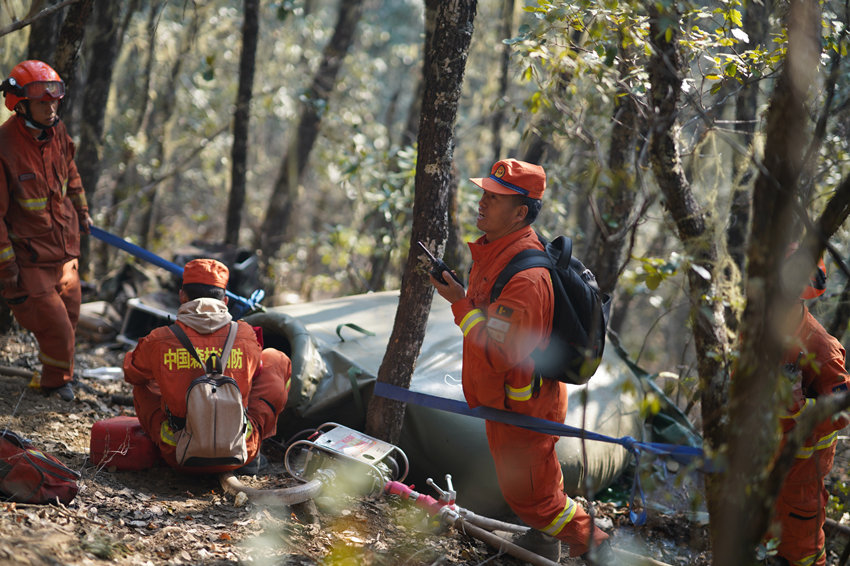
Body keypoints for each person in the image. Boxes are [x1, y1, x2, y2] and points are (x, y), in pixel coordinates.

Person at [428, 158, 614, 564]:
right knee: (534, 491)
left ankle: (598, 546)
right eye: (483, 194)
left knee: (539, 502)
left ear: (520, 212)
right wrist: (463, 293)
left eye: (494, 199)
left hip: (523, 409)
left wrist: (459, 304)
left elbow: (500, 351)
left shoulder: (527, 278)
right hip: (506, 403)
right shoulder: (499, 252)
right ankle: (543, 544)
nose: (481, 203)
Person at [123, 259, 291, 474]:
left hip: (178, 453)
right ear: (226, 300)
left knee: (142, 383)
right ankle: (254, 450)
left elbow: (131, 372)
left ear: (182, 296)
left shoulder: (159, 340)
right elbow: (256, 373)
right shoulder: (246, 335)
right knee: (276, 359)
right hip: (240, 450)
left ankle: (165, 443)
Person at [0, 60, 92, 402]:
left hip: (65, 254)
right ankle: (56, 385)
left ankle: (57, 376)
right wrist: (7, 268)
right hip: (29, 261)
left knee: (70, 318)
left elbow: (71, 173)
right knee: (56, 328)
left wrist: (82, 212)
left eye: (54, 100)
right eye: (42, 102)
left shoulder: (57, 133)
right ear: (20, 104)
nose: (51, 107)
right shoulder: (5, 146)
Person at [767, 250, 850, 566]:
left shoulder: (822, 349)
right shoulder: (757, 331)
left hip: (798, 485)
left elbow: (841, 412)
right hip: (757, 472)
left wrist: (803, 408)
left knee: (801, 556)